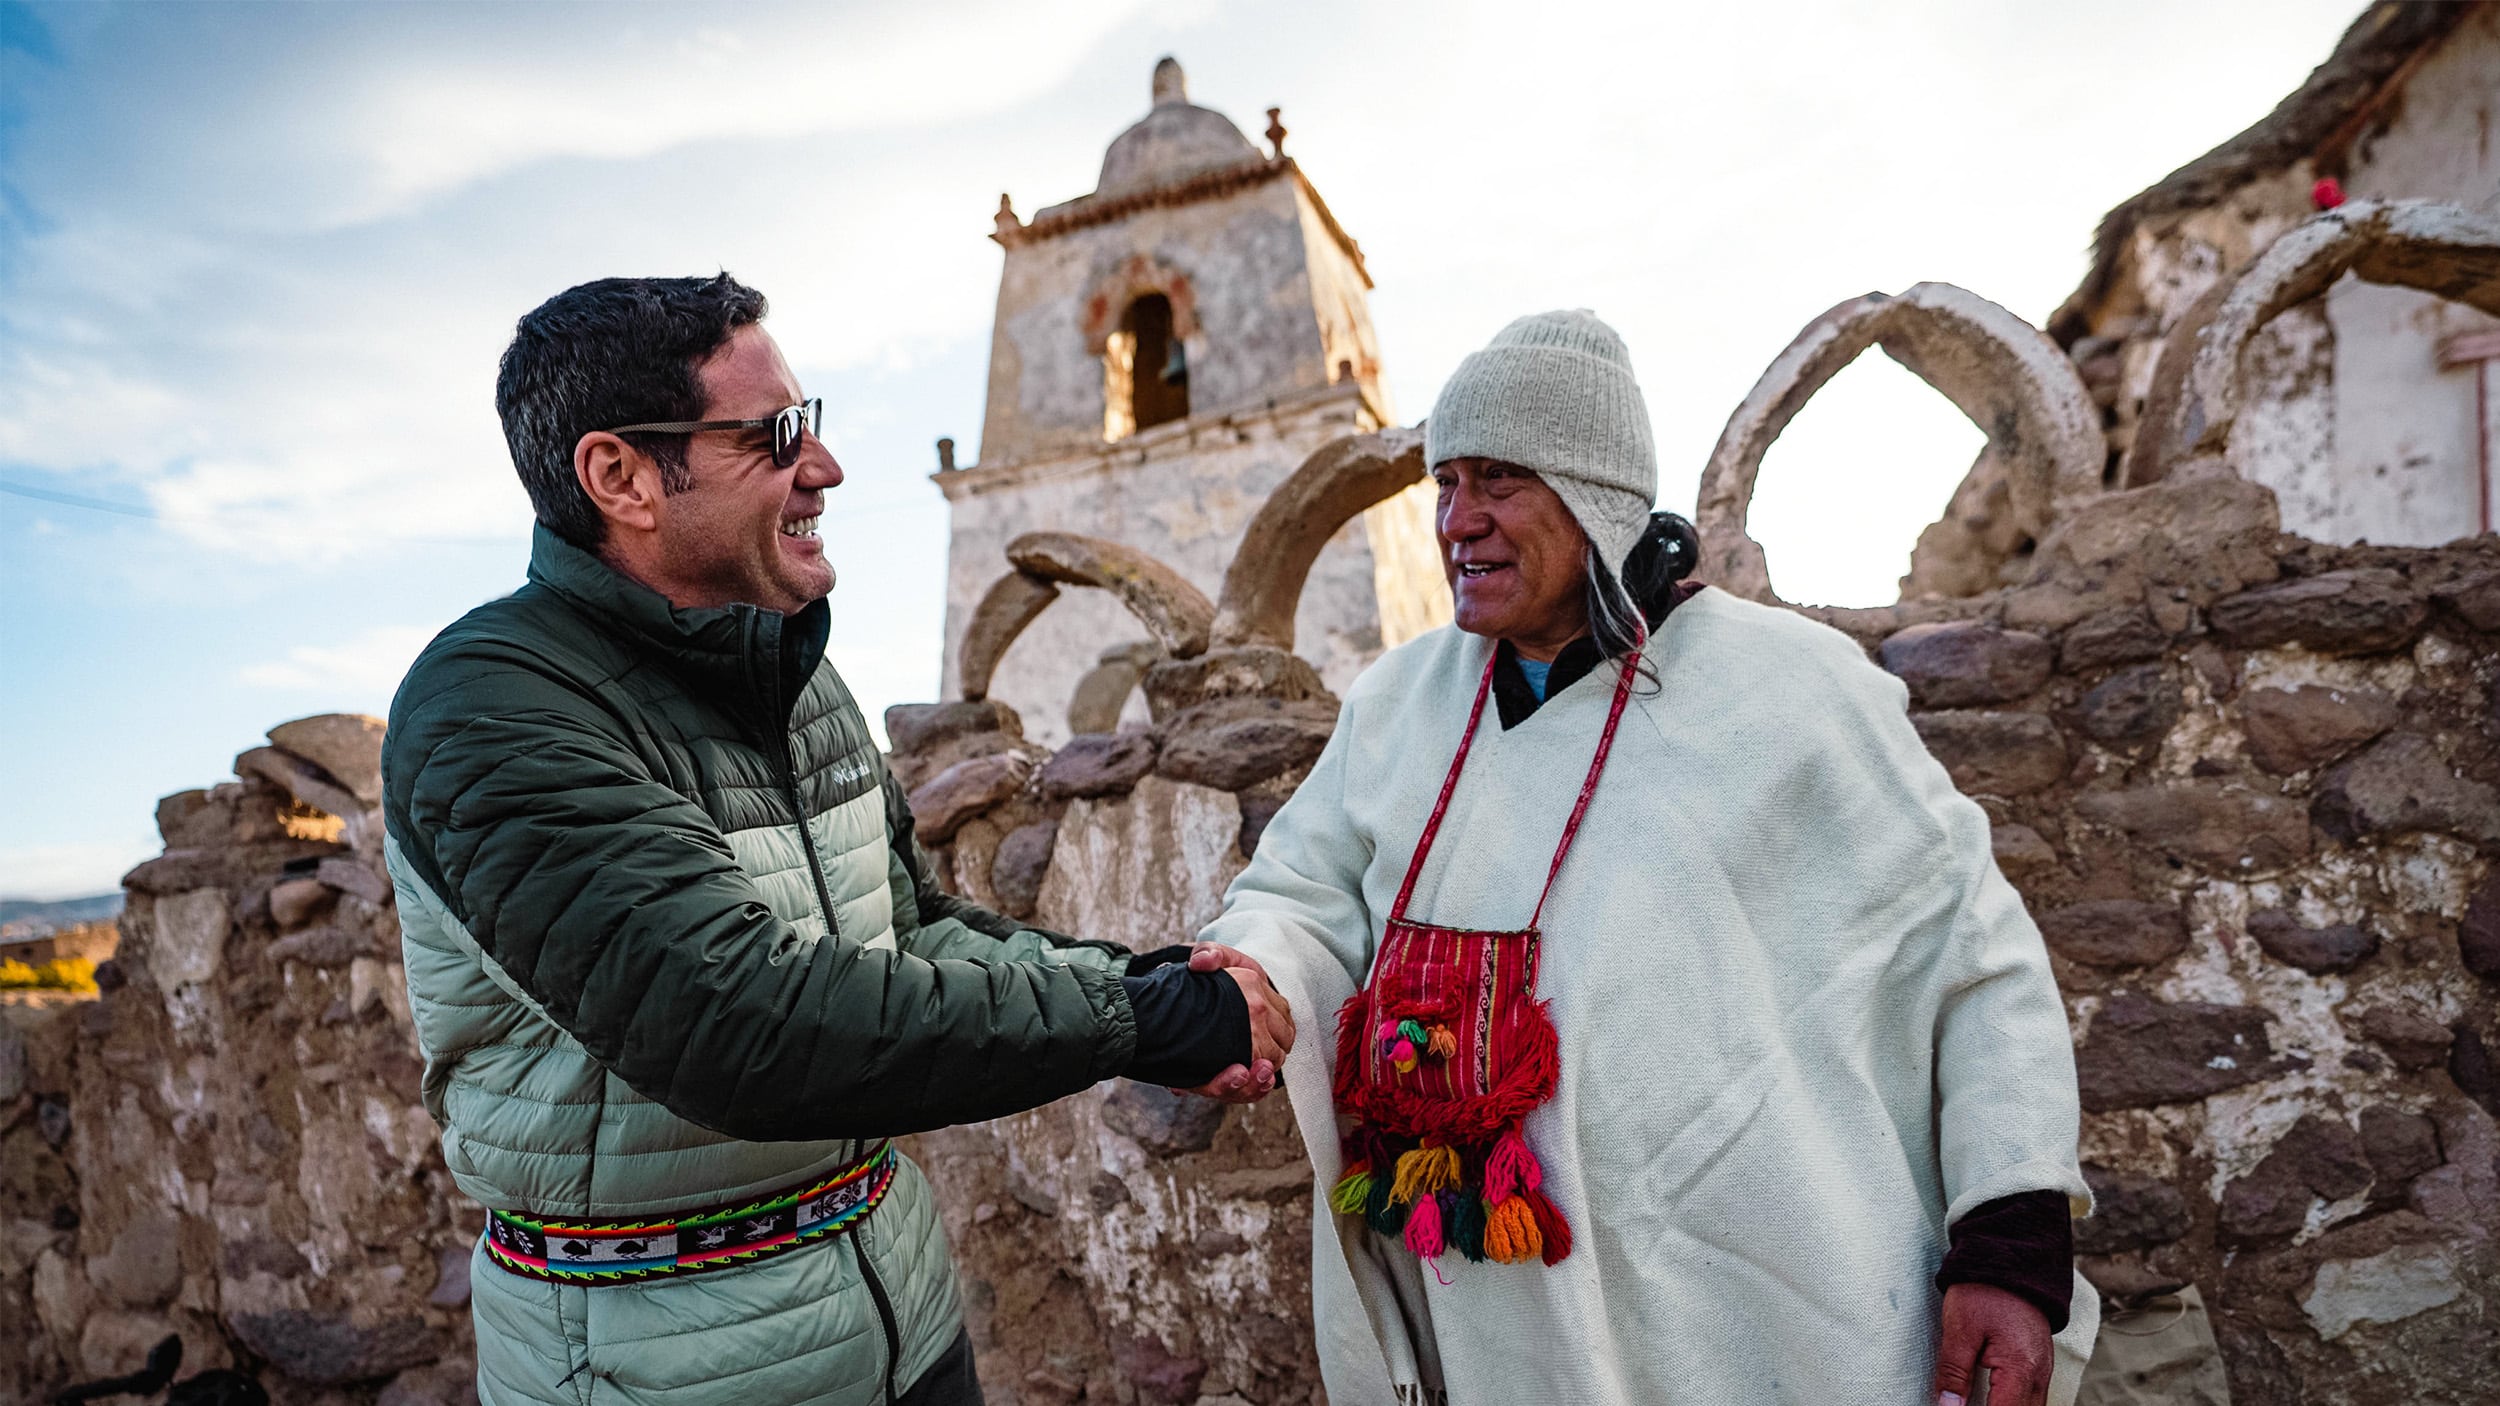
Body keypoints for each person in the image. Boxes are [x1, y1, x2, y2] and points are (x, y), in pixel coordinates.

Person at [381, 274, 1294, 1406]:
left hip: (901, 1320)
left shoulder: (792, 681)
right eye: (771, 435)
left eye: (807, 424)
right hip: (657, 1372)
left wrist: (1146, 984)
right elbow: (736, 1021)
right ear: (620, 477)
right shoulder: (497, 704)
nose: (823, 467)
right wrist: (1137, 1019)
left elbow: (909, 931)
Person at [1190, 310, 2097, 1405]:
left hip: (1764, 1298)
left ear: (1596, 497)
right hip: (1497, 1308)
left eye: (1500, 482)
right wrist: (1253, 973)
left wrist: (2009, 1241)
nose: (1457, 522)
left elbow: (1972, 955)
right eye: (1445, 484)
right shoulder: (1396, 702)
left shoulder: (1797, 692)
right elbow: (1300, 891)